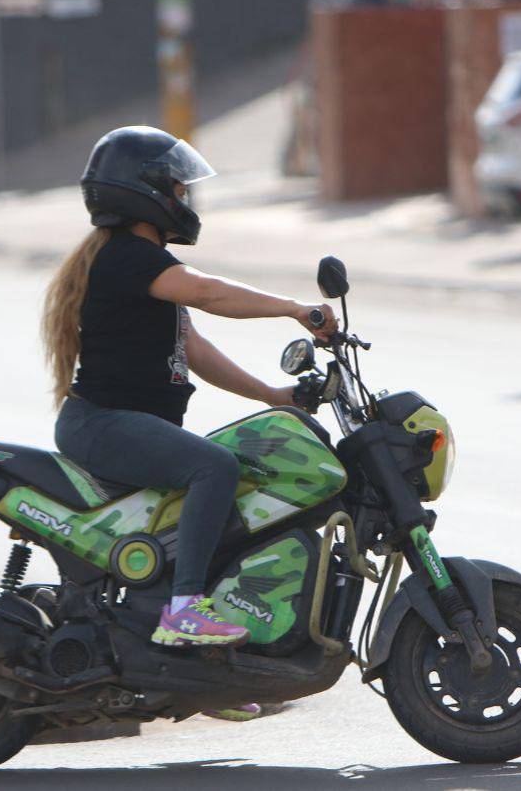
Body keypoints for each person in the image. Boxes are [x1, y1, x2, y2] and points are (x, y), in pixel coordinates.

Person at [43, 125, 335, 649]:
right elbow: (208, 293)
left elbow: (193, 351)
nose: (186, 198)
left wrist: (275, 397)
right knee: (214, 466)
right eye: (178, 188)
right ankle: (184, 613)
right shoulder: (129, 258)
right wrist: (294, 308)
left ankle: (201, 670)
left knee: (231, 476)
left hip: (119, 425)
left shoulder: (136, 265)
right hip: (101, 425)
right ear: (144, 192)